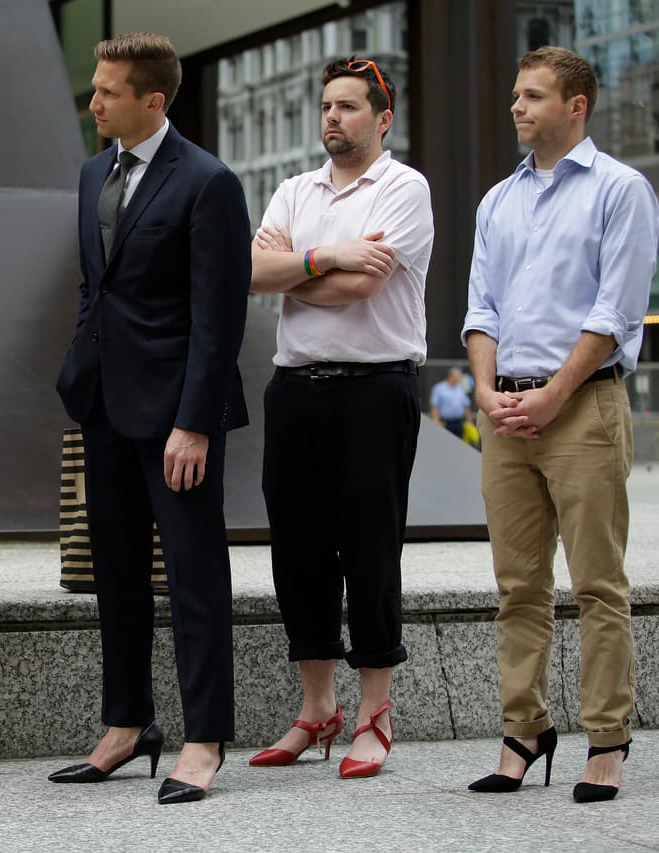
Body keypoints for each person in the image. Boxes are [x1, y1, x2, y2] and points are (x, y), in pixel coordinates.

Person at [51, 33, 250, 804]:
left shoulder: (209, 182)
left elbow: (218, 314)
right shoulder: (92, 172)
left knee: (196, 576)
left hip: (177, 416)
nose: (93, 102)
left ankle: (205, 738)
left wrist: (195, 421)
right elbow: (94, 286)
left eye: (106, 92)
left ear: (152, 101)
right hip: (102, 404)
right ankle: (127, 723)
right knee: (117, 574)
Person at [463, 46, 657, 803]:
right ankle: (524, 730)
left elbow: (613, 312)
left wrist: (554, 393)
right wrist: (485, 388)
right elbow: (482, 308)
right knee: (517, 586)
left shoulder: (621, 190)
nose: (517, 106)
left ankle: (606, 739)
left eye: (533, 96)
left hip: (582, 408)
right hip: (507, 412)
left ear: (577, 106)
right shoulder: (496, 201)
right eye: (516, 93)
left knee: (599, 584)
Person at [248, 58, 433, 779]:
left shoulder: (404, 187)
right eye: (326, 105)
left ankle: (374, 715)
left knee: (368, 548)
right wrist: (325, 257)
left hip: (374, 390)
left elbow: (366, 285)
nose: (332, 117)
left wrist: (297, 273)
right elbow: (253, 274)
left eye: (349, 106)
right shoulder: (296, 190)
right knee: (297, 553)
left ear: (382, 119)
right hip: (294, 390)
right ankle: (316, 709)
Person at [430, 366, 474, 438]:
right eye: (458, 375)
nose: (460, 377)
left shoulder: (461, 388)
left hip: (459, 422)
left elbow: (466, 406)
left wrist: (469, 421)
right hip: (445, 423)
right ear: (451, 375)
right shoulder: (439, 388)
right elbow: (435, 406)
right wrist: (436, 420)